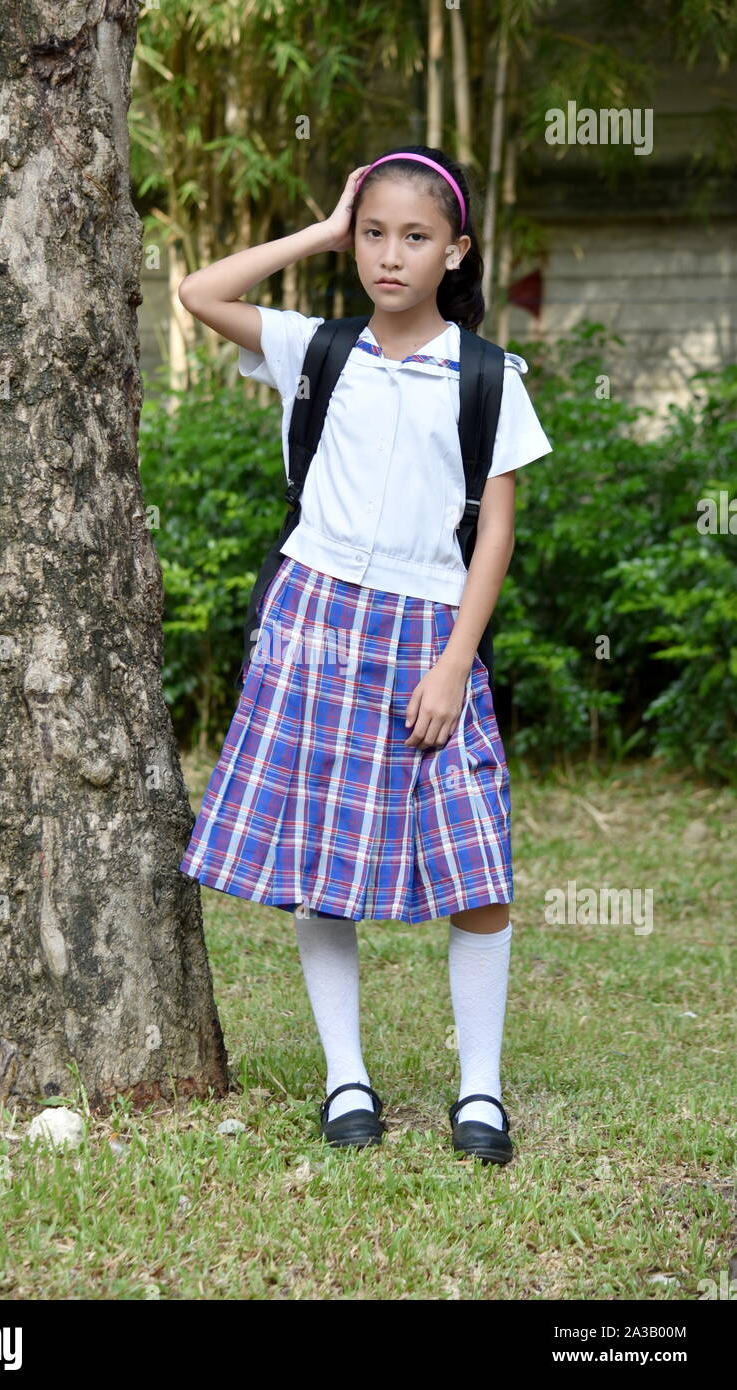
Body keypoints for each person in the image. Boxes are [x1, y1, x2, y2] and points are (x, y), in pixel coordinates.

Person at [177, 146, 552, 1162]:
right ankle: (346, 1075)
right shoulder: (318, 347)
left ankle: (479, 1091)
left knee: (475, 863)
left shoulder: (485, 377)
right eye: (373, 234)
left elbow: (495, 539)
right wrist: (320, 229)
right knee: (317, 862)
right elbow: (197, 291)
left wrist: (450, 663)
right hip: (314, 621)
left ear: (454, 250)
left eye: (414, 237)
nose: (390, 255)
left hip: (429, 632)